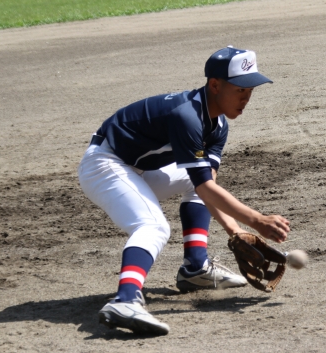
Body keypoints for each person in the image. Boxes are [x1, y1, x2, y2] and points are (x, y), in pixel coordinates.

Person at [77, 46, 291, 336]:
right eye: (240, 89)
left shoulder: (218, 124)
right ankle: (125, 300)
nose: (246, 98)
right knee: (153, 226)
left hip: (137, 169)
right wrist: (256, 220)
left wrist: (236, 231)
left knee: (196, 181)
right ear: (215, 85)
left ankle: (195, 268)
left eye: (250, 89)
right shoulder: (187, 115)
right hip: (104, 165)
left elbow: (206, 186)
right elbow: (206, 187)